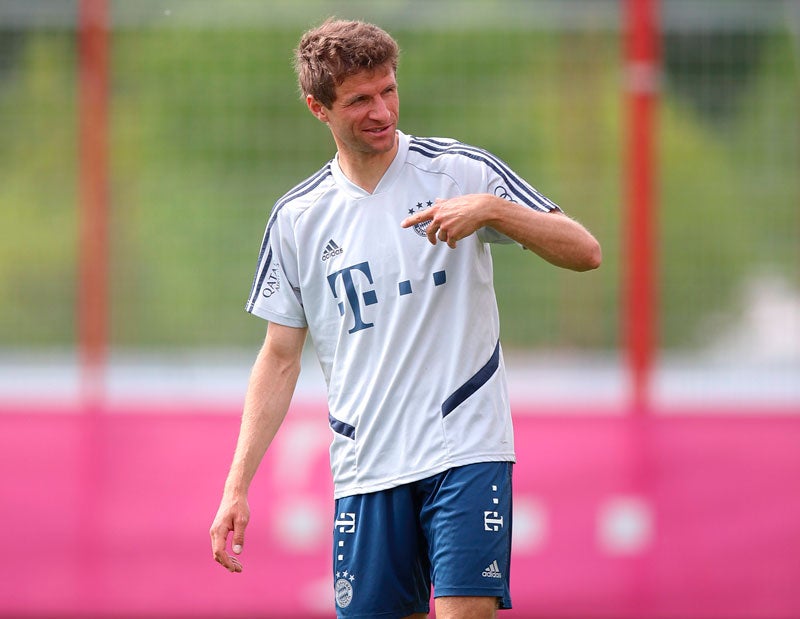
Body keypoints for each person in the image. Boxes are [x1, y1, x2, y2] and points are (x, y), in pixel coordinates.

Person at [210, 18, 601, 619]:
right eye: (359, 99)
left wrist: (497, 211)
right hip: (366, 466)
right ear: (319, 108)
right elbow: (280, 357)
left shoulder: (461, 174)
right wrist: (237, 485)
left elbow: (585, 250)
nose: (382, 110)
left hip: (465, 448)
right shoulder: (297, 219)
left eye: (388, 90)